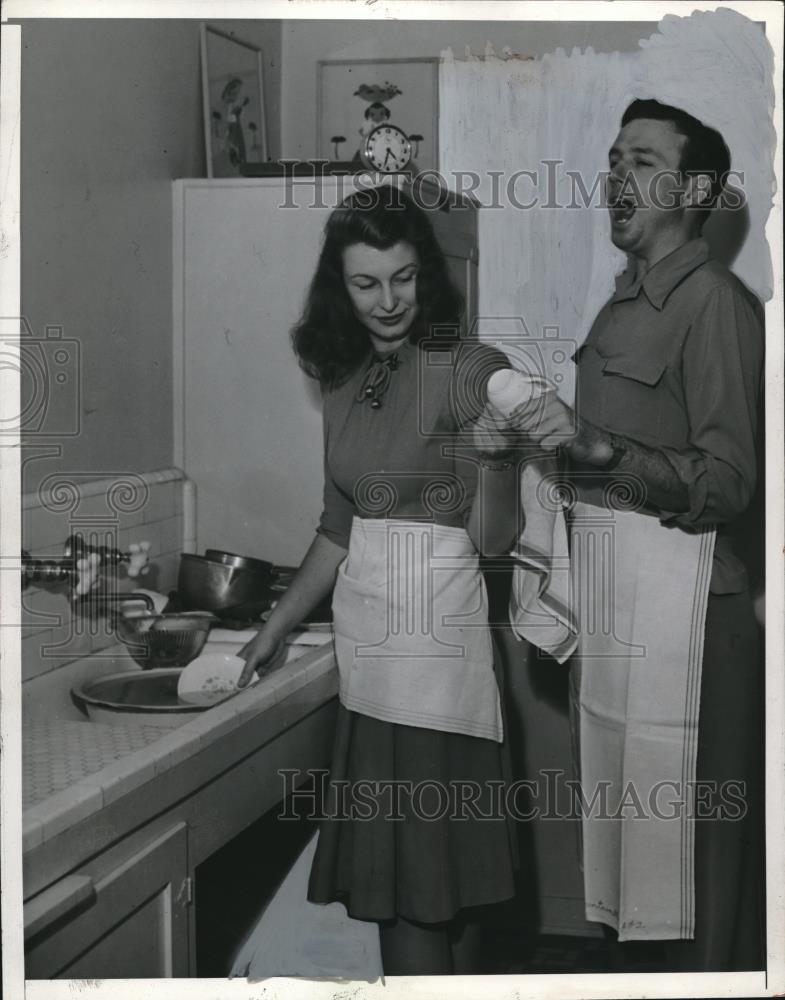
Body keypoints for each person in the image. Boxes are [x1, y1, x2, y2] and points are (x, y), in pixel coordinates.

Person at [237, 184, 523, 975]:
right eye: (365, 283)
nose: (387, 300)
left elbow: (493, 541)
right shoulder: (342, 372)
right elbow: (338, 527)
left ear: (423, 275)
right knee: (429, 885)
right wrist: (271, 630)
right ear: (340, 284)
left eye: (401, 278)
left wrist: (498, 462)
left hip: (435, 667)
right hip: (370, 657)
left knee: (426, 890)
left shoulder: (466, 370)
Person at [505, 100, 765, 971]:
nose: (617, 176)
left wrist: (599, 444)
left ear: (693, 188)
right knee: (629, 873)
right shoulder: (619, 309)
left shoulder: (716, 305)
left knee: (697, 884)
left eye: (642, 160)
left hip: (694, 630)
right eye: (614, 159)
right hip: (623, 625)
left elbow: (729, 483)